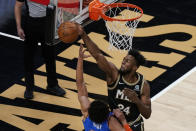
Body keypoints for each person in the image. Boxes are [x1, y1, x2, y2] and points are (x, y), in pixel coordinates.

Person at [76, 23, 151, 131]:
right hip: (112, 122)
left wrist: (136, 100)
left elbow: (147, 114)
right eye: (124, 59)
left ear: (135, 67)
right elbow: (98, 55)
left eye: (127, 61)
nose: (123, 61)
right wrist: (83, 35)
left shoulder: (143, 85)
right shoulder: (114, 74)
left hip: (133, 124)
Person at [14, 0, 65, 99]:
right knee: (29, 57)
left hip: (47, 22)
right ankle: (29, 88)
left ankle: (52, 85)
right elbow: (17, 6)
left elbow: (57, 4)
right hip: (31, 23)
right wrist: (18, 27)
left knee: (50, 55)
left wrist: (59, 22)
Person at [76, 44, 133, 131]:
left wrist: (80, 59)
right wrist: (123, 120)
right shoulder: (110, 122)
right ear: (107, 114)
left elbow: (80, 84)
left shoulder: (86, 113)